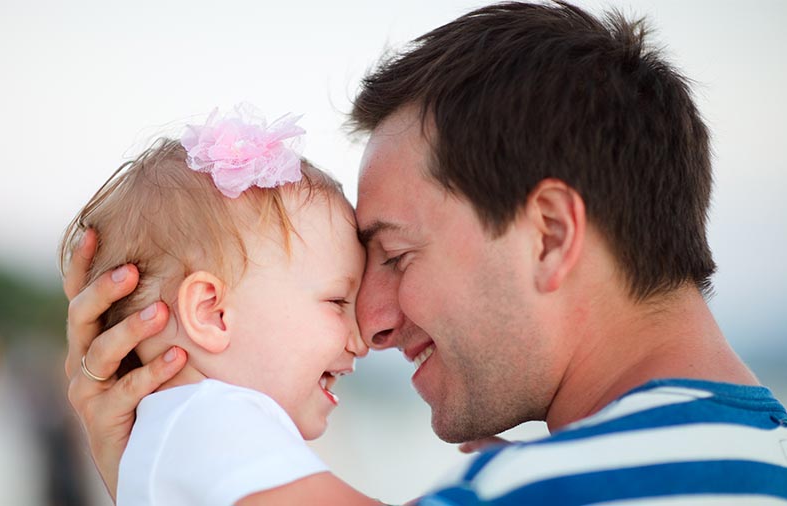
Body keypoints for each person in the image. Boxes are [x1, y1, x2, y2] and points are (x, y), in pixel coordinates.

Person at [63, 2, 787, 504]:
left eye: (399, 256)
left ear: (552, 235)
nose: (371, 324)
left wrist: (141, 470)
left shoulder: (535, 493)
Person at [59, 104, 374, 505]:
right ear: (211, 312)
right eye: (337, 301)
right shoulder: (213, 416)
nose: (362, 340)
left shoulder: (182, 429)